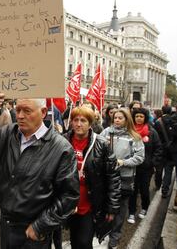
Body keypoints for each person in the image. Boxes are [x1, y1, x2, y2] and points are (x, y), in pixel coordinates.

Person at [0, 90, 79, 249]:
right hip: (7, 224)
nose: (19, 115)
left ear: (43, 112)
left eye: (27, 111)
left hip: (34, 230)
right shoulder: (7, 134)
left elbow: (69, 196)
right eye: (18, 110)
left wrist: (41, 226)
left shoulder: (61, 148)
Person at [64, 106, 120, 248]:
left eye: (83, 120)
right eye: (75, 120)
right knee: (74, 239)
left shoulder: (101, 144)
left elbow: (113, 176)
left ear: (90, 123)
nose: (78, 124)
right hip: (68, 202)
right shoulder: (63, 141)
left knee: (84, 242)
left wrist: (112, 207)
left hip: (89, 203)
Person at [99, 108, 144, 249]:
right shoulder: (105, 133)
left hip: (124, 178)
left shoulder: (134, 137)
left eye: (120, 118)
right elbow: (97, 149)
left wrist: (123, 162)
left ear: (127, 120)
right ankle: (102, 232)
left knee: (120, 209)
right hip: (106, 177)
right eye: (115, 118)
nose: (117, 120)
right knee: (104, 205)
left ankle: (115, 236)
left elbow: (139, 157)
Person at [127, 108, 162, 224]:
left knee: (144, 190)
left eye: (141, 116)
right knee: (132, 190)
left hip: (146, 168)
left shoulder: (152, 132)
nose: (139, 118)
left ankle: (144, 208)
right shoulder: (129, 131)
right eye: (137, 116)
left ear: (145, 118)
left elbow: (158, 149)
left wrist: (152, 162)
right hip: (132, 167)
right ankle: (131, 212)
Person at [154, 105, 175, 198]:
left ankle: (158, 184)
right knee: (168, 170)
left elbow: (155, 137)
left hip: (160, 148)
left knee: (159, 169)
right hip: (171, 149)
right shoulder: (174, 120)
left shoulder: (158, 122)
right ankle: (165, 189)